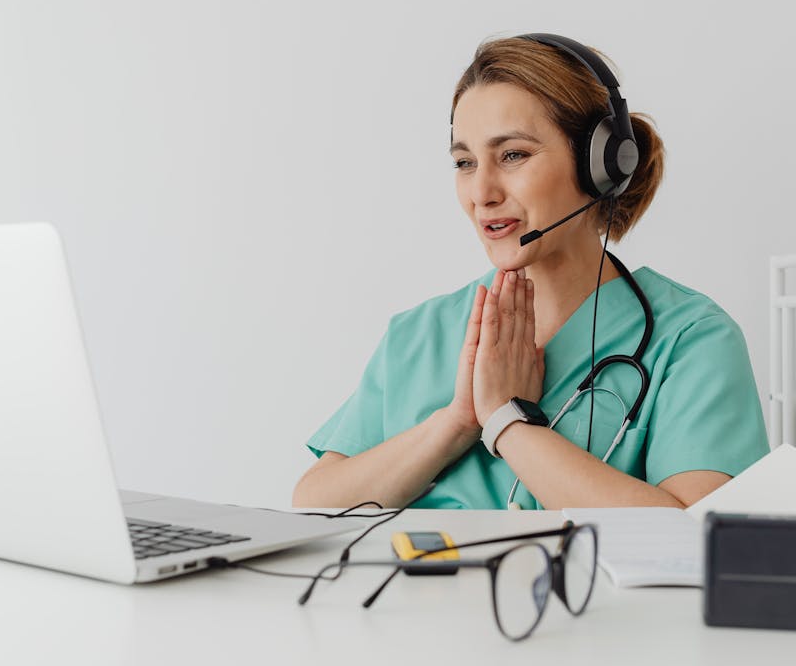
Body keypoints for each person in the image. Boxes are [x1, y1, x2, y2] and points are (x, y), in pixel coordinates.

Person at [292, 34, 769, 511]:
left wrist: (507, 422)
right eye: (464, 162)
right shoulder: (417, 336)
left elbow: (698, 541)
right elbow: (313, 503)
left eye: (513, 155)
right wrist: (457, 422)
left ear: (600, 166)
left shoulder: (691, 339)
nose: (482, 191)